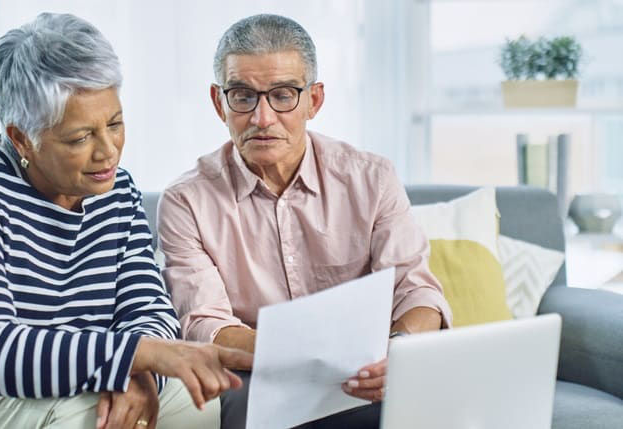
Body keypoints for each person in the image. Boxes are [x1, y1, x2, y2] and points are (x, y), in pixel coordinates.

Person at [0, 13, 251, 429]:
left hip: (60, 379)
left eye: (115, 124)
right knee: (81, 415)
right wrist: (135, 356)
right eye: (80, 138)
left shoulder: (116, 192)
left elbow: (147, 308)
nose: (108, 152)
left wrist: (137, 375)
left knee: (198, 401)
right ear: (21, 137)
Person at [157, 14, 452, 429]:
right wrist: (305, 359)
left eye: (283, 95)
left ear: (314, 100)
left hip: (367, 375)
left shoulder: (371, 178)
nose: (262, 118)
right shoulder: (185, 201)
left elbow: (417, 292)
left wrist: (399, 351)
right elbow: (206, 325)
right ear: (218, 101)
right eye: (242, 95)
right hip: (257, 379)